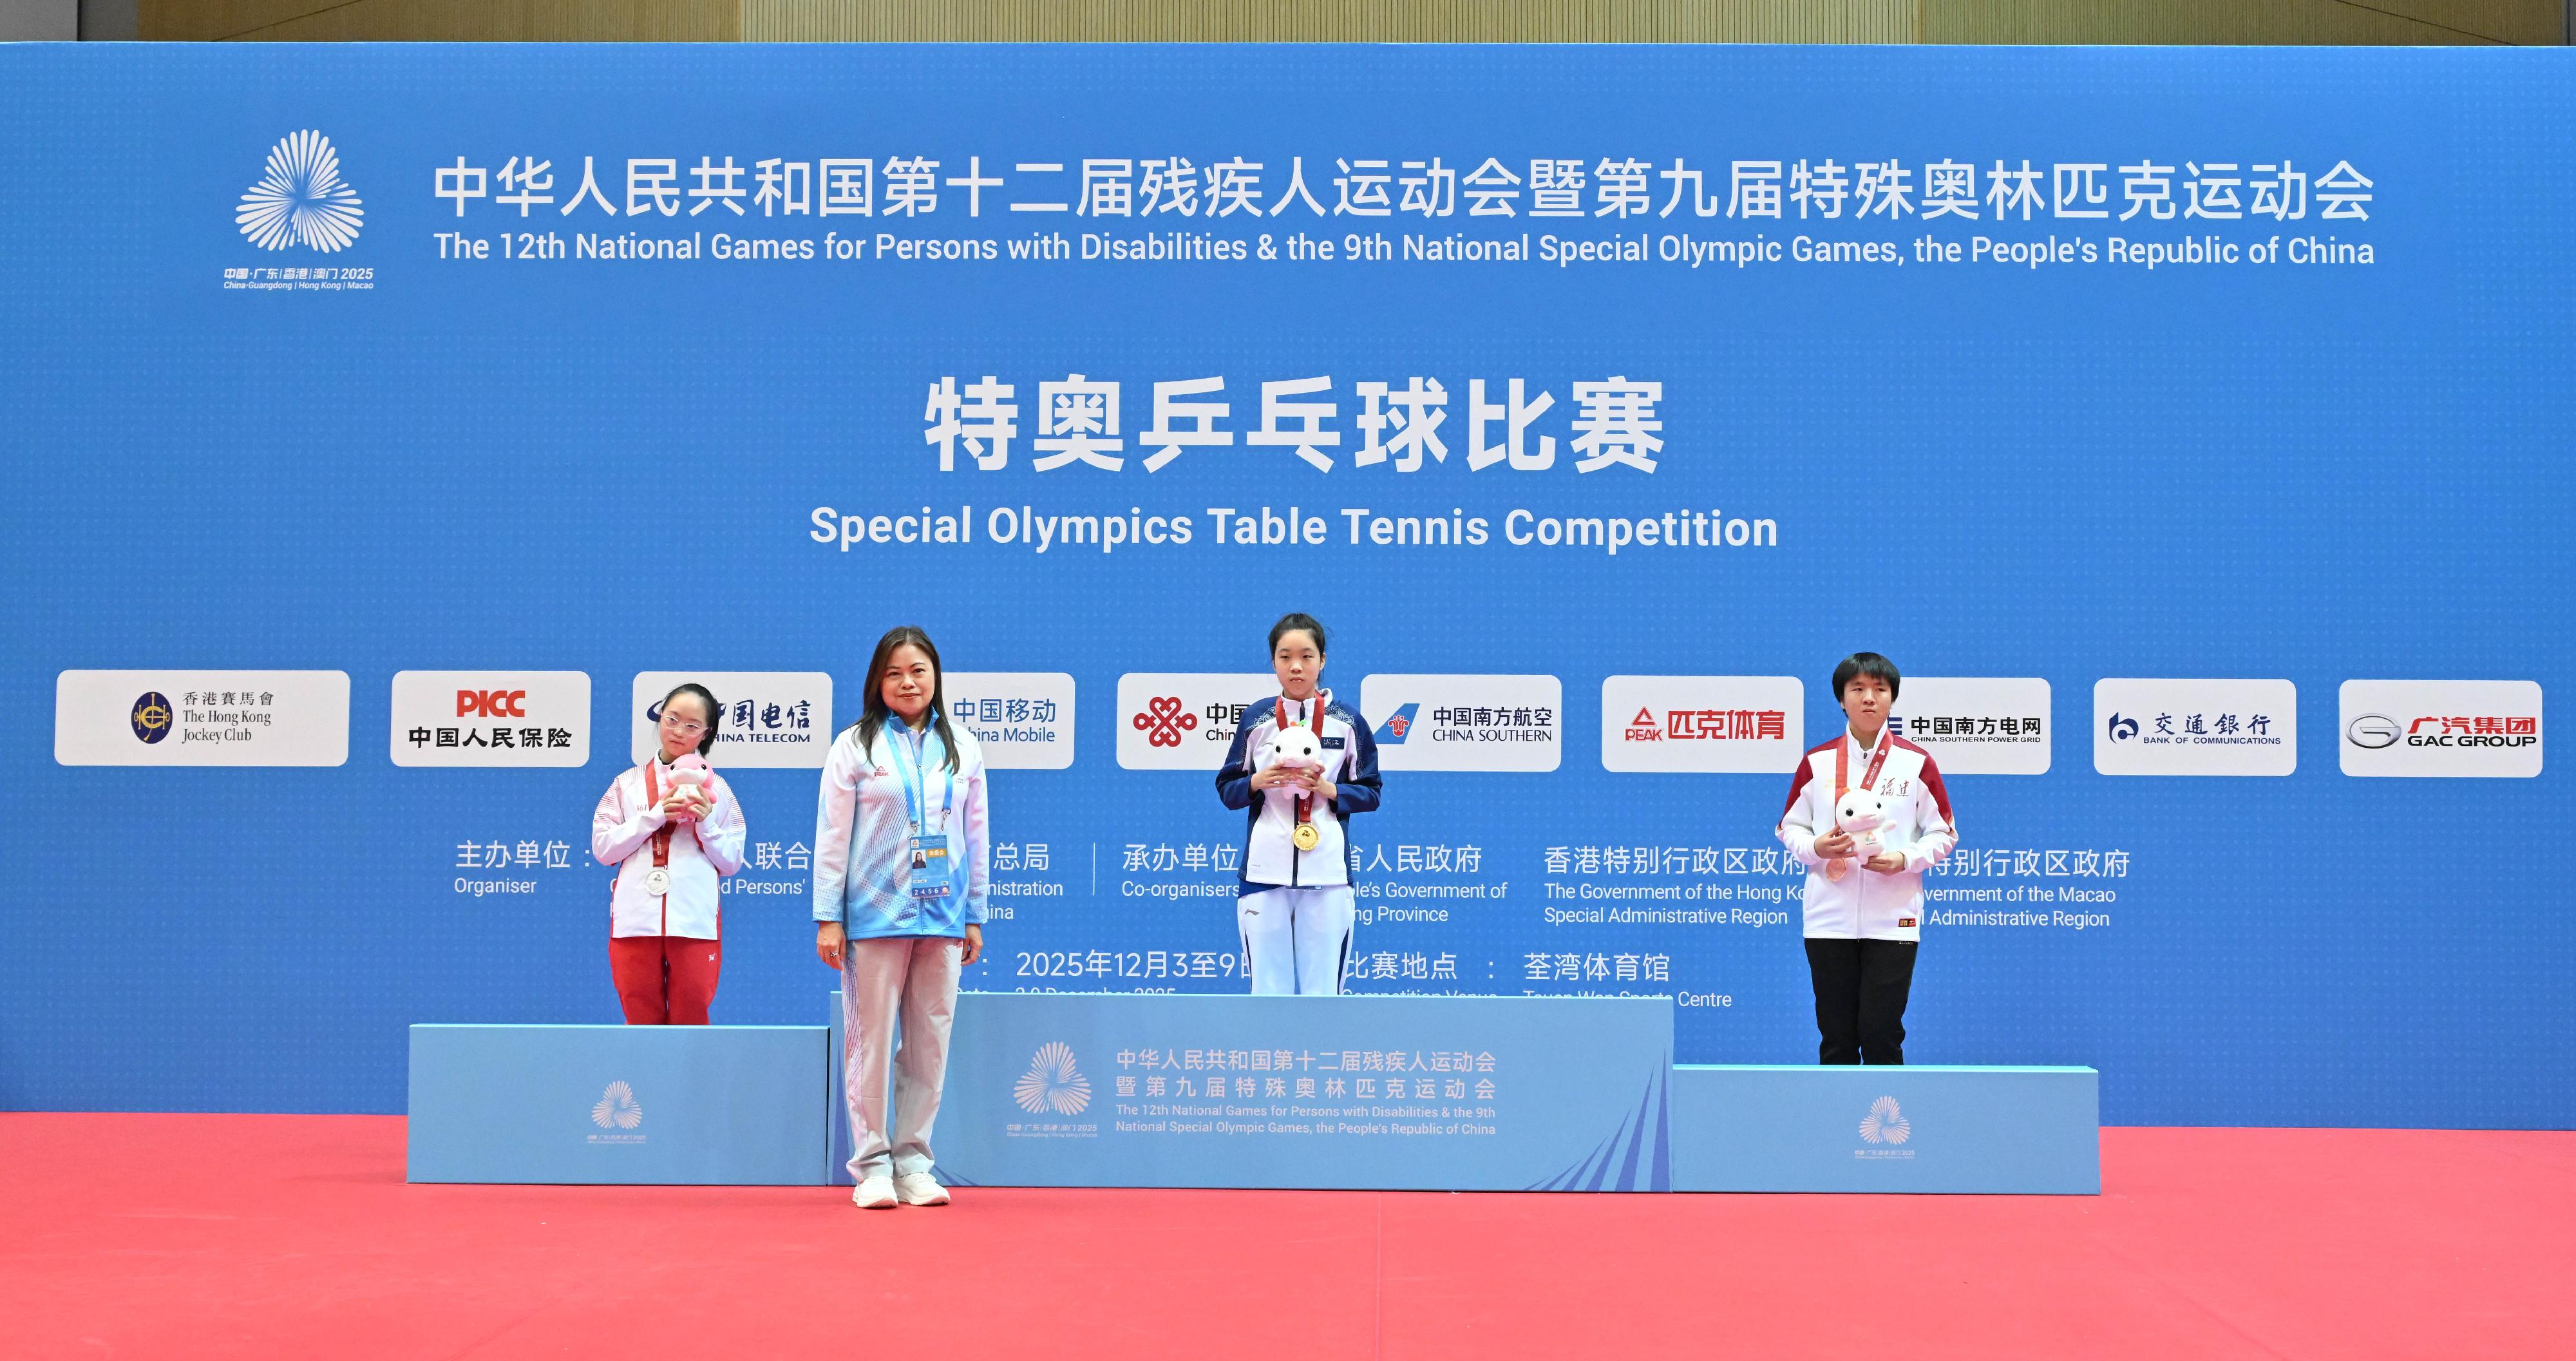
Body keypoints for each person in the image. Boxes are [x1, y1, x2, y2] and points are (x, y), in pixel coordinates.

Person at [811, 626, 989, 1209]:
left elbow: (976, 833)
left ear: (935, 675)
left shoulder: (961, 746)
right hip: (873, 916)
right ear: (877, 681)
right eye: (894, 672)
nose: (907, 682)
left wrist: (974, 912)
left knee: (929, 1045)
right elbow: (833, 836)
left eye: (918, 670)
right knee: (872, 1044)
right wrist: (829, 917)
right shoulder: (854, 746)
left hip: (942, 916)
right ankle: (871, 1166)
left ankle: (914, 1161)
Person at [1776, 652, 1956, 1065]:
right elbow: (1790, 828)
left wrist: (1904, 858)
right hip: (1828, 920)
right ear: (1842, 699)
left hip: (1894, 920)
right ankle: (1835, 1128)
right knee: (1836, 1040)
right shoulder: (1817, 762)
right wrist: (1816, 848)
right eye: (1858, 689)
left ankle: (1886, 1129)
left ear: (1892, 699)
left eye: (1880, 690)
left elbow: (1944, 833)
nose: (1869, 698)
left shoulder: (1916, 763)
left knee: (1882, 1036)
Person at [1215, 613, 1383, 995]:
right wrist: (1256, 783)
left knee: (1322, 993)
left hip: (1327, 876)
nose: (1296, 666)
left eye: (1306, 656)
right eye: (1285, 656)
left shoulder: (1347, 721)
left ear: (1322, 660)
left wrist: (1329, 790)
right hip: (1264, 875)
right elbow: (1227, 788)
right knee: (1267, 993)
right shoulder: (1257, 719)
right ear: (1273, 662)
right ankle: (1269, 1058)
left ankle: (1317, 1057)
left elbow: (1372, 792)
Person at [591, 683, 746, 1025]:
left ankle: (691, 1081)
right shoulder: (626, 784)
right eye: (672, 719)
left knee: (691, 1022)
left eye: (692, 726)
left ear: (707, 733)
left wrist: (706, 825)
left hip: (693, 921)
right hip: (634, 923)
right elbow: (603, 849)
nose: (678, 731)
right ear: (659, 718)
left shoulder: (719, 791)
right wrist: (654, 815)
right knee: (640, 1021)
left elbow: (732, 861)